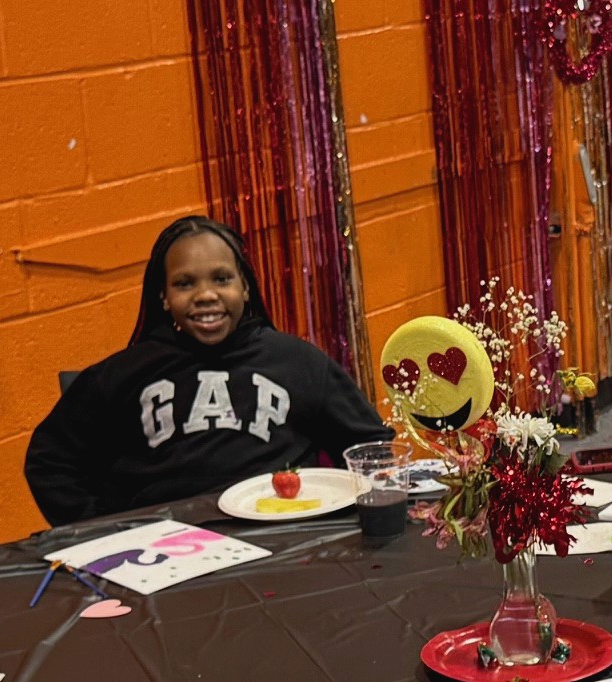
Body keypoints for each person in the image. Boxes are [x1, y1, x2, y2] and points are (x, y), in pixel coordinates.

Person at [23, 213, 390, 524]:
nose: (205, 295)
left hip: (280, 537)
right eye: (185, 284)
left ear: (245, 286)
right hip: (163, 554)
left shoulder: (298, 361)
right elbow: (49, 461)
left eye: (221, 279)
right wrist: (103, 528)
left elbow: (372, 447)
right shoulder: (122, 376)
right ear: (163, 297)